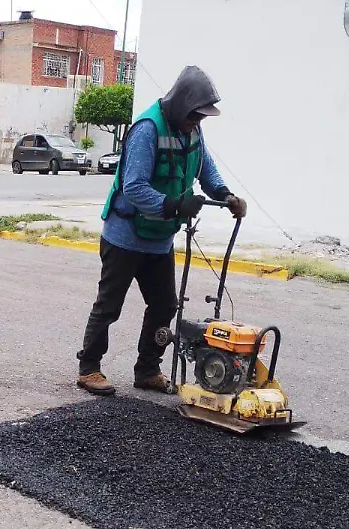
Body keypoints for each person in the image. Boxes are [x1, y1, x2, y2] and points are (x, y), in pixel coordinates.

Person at [76, 66, 247, 396]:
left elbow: (206, 170)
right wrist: (174, 206)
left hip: (159, 240)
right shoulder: (147, 129)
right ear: (182, 105)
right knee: (109, 306)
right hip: (124, 236)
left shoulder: (192, 132)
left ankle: (147, 370)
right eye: (195, 115)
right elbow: (134, 186)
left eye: (201, 117)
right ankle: (89, 368)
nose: (197, 121)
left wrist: (226, 196)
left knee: (165, 305)